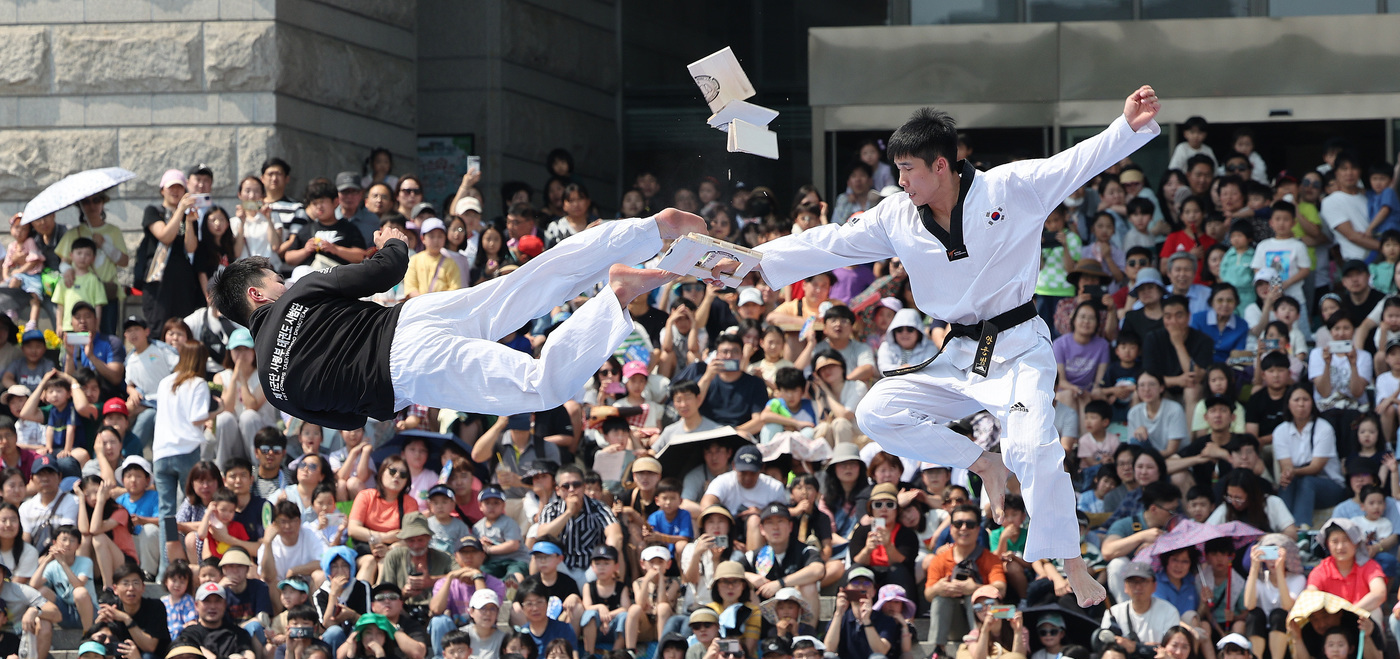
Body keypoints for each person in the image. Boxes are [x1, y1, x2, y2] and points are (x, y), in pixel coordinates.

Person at [729, 85, 1163, 608]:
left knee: (1032, 448)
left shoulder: (1011, 187)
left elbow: (1075, 163)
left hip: (1020, 346)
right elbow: (829, 243)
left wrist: (1127, 129)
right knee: (876, 412)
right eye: (897, 171)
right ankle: (982, 464)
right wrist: (752, 263)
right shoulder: (896, 215)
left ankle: (1073, 563)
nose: (901, 181)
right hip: (959, 354)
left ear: (942, 165)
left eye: (909, 170)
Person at [210, 211, 705, 430]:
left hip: (407, 370)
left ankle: (616, 296)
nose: (281, 281)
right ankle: (646, 232)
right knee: (529, 284)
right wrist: (393, 238)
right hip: (411, 318)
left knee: (541, 387)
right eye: (273, 279)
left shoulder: (276, 391)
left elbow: (352, 421)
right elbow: (389, 269)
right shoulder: (301, 294)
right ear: (257, 294)